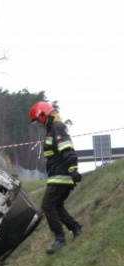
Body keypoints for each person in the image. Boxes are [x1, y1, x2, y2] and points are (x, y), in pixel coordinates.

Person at [30, 101, 83, 254]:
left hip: (61, 175)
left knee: (47, 205)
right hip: (58, 174)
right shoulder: (52, 129)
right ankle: (75, 228)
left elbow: (67, 149)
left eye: (38, 120)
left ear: (43, 114)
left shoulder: (57, 128)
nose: (39, 124)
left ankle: (60, 238)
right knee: (57, 205)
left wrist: (73, 170)